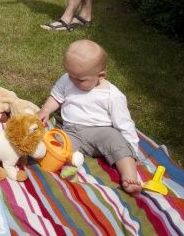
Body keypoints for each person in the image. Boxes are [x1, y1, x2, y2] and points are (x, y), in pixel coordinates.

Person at [37, 39, 142, 195]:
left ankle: (130, 176)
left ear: (100, 75)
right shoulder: (68, 79)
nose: (73, 81)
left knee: (117, 141)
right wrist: (45, 110)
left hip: (101, 132)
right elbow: (56, 97)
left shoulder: (112, 95)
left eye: (80, 79)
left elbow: (125, 125)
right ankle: (66, 162)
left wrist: (132, 150)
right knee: (52, 144)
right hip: (71, 131)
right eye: (70, 75)